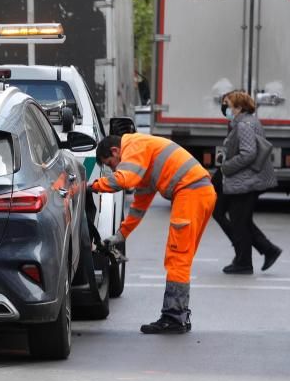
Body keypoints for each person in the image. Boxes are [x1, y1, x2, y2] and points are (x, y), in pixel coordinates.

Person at [90, 133, 216, 334]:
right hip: (199, 193)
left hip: (190, 193)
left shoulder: (133, 145)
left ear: (115, 151)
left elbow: (124, 179)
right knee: (182, 258)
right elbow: (139, 205)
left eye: (111, 164)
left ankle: (173, 318)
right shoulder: (145, 156)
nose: (114, 169)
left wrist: (92, 186)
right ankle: (179, 315)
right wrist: (120, 236)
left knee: (177, 258)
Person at [212, 91, 281, 274]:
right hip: (241, 179)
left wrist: (226, 166)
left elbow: (248, 153)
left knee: (238, 220)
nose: (224, 108)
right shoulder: (243, 122)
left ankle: (245, 260)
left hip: (245, 180)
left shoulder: (244, 125)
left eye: (227, 104)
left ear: (239, 107)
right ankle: (265, 250)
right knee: (232, 216)